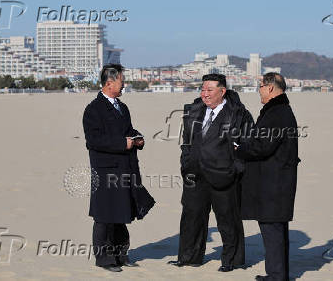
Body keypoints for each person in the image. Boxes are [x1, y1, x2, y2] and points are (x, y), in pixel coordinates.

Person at [169, 73, 253, 272]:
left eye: (209, 90)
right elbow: (187, 142)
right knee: (191, 216)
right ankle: (189, 257)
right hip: (195, 174)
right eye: (202, 89)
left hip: (224, 175)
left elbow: (249, 143)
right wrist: (186, 161)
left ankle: (231, 260)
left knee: (227, 218)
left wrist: (236, 167)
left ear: (222, 91)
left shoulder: (238, 113)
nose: (204, 94)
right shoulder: (195, 110)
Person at [83, 64, 155, 273]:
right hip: (105, 170)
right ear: (109, 83)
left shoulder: (122, 107)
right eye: (122, 80)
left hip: (125, 167)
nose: (124, 84)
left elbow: (128, 130)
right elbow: (94, 140)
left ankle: (121, 255)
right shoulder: (93, 109)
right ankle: (104, 259)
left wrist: (137, 138)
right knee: (105, 216)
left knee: (122, 213)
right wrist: (123, 143)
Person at [235, 72, 300, 281]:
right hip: (276, 181)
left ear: (270, 88)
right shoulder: (279, 110)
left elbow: (263, 146)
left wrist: (239, 148)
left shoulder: (277, 113)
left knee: (272, 230)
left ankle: (276, 276)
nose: (259, 91)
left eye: (260, 87)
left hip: (273, 183)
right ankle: (277, 274)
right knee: (276, 230)